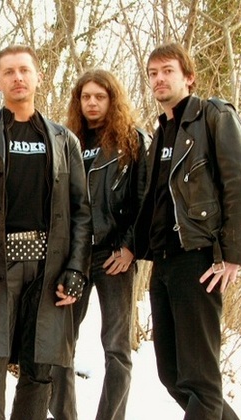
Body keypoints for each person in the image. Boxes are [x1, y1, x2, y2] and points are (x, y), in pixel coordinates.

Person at [0, 45, 92, 419]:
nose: (18, 77)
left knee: (40, 373)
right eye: (8, 72)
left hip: (48, 271)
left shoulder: (64, 140)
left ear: (39, 77)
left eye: (24, 70)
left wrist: (76, 268)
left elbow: (81, 212)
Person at [134, 42, 241, 419]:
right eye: (153, 73)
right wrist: (132, 247)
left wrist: (232, 255)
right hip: (164, 263)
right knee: (172, 375)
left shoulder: (213, 116)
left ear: (188, 77)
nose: (159, 79)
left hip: (199, 259)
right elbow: (154, 202)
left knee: (199, 380)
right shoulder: (160, 134)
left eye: (167, 71)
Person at [49, 69, 149, 420]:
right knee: (59, 343)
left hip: (113, 255)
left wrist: (130, 247)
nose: (92, 103)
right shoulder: (66, 141)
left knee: (117, 348)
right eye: (86, 97)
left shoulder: (133, 141)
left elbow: (145, 200)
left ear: (112, 100)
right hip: (74, 256)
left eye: (100, 97)